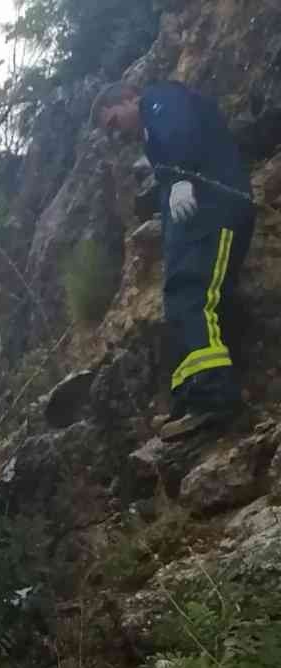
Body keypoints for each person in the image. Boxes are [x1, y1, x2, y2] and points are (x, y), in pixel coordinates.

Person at [93, 79, 256, 441]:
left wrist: (180, 176)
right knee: (186, 297)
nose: (116, 135)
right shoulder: (154, 133)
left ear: (129, 98)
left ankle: (214, 396)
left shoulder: (160, 102)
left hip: (216, 212)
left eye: (114, 123)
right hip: (202, 222)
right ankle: (194, 392)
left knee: (192, 295)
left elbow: (182, 130)